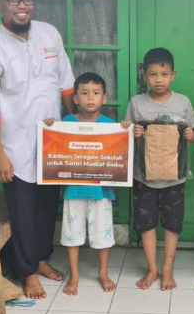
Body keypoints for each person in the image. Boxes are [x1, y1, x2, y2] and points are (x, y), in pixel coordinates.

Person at [0, 0, 74, 299]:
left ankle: (40, 259)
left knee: (46, 208)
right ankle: (27, 272)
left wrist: (74, 129)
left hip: (53, 144)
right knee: (23, 214)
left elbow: (66, 83)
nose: (22, 5)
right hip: (15, 148)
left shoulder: (49, 34)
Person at [44, 72, 131, 296]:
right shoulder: (66, 124)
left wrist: (124, 130)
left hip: (101, 191)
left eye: (95, 93)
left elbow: (119, 153)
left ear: (104, 98)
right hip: (73, 190)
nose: (89, 97)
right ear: (75, 99)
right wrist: (50, 127)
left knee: (102, 234)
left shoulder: (112, 125)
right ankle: (74, 274)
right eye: (84, 93)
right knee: (72, 234)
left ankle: (103, 272)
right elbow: (54, 147)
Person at [125, 48, 194, 290]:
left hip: (175, 178)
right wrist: (132, 132)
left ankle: (167, 269)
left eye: (164, 74)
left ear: (173, 75)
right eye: (153, 74)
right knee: (146, 224)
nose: (159, 79)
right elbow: (124, 134)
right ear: (145, 76)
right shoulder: (136, 103)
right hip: (143, 177)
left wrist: (190, 134)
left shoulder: (183, 102)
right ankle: (152, 269)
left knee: (172, 224)